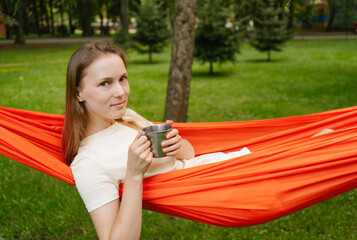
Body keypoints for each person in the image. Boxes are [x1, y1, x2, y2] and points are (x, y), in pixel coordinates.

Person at [62, 41, 250, 239]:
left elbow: (189, 154)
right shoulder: (89, 163)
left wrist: (174, 144)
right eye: (105, 83)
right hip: (225, 188)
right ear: (78, 93)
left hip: (229, 167)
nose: (120, 92)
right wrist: (134, 174)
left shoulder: (127, 117)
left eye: (122, 79)